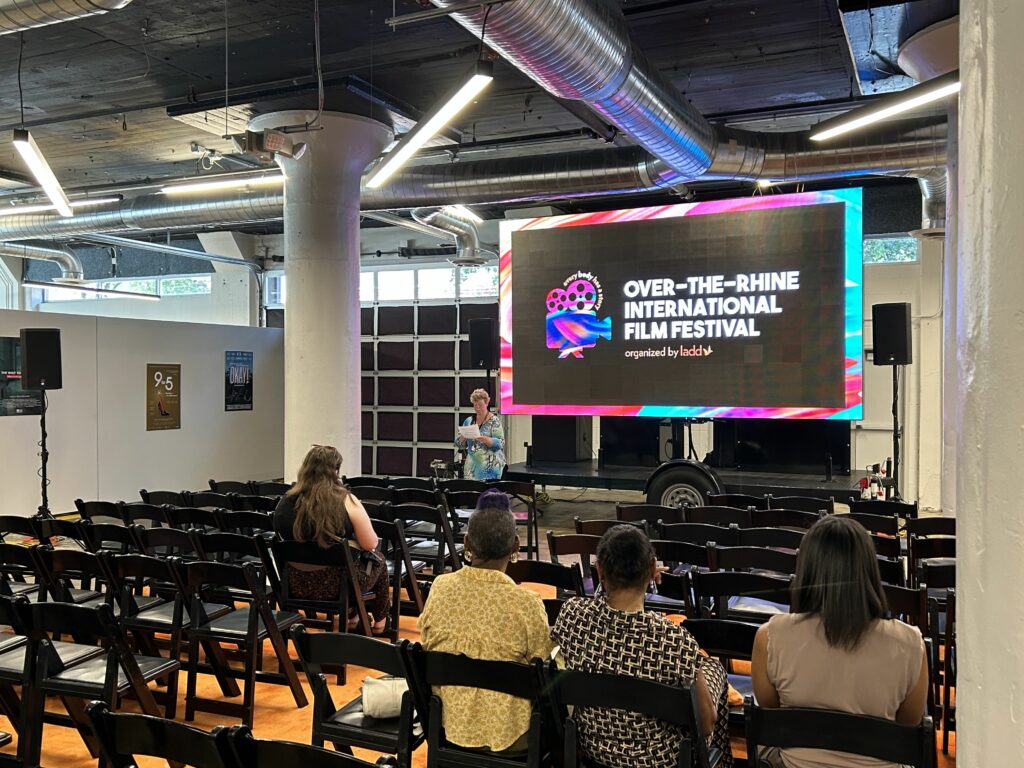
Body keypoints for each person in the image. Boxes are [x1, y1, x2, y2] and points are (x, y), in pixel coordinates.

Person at [751, 515, 928, 768]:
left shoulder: (770, 638)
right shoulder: (911, 644)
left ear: (806, 569)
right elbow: (907, 725)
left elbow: (772, 715)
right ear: (868, 569)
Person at [552, 525, 733, 768]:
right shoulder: (673, 640)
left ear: (599, 570)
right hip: (661, 759)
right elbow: (706, 723)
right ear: (651, 570)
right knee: (713, 667)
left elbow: (600, 608)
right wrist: (646, 576)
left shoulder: (572, 615)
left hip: (594, 751)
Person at [418, 490, 553, 753]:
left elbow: (427, 644)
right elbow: (542, 669)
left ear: (467, 544)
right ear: (515, 546)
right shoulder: (527, 603)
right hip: (511, 737)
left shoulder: (441, 588)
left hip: (447, 726)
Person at [273, 445, 391, 634]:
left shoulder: (285, 501)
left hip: (296, 584)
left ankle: (353, 615)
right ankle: (380, 623)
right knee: (378, 560)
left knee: (349, 563)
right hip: (338, 586)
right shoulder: (345, 499)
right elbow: (371, 543)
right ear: (335, 471)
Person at [455, 388, 505, 481]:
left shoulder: (494, 421)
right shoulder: (468, 421)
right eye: (475, 405)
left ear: (486, 403)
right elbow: (458, 444)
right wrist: (462, 438)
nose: (477, 407)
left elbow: (500, 443)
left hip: (491, 468)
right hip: (472, 469)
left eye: (480, 405)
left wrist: (486, 440)